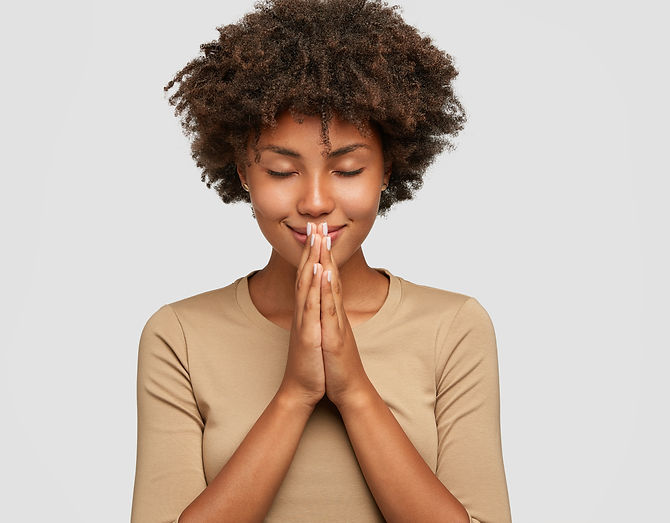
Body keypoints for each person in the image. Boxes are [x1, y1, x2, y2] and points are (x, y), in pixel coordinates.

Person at [130, 0, 511, 521]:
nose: (314, 201)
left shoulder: (454, 328)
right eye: (281, 171)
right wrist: (296, 394)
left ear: (386, 169)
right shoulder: (179, 336)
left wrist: (353, 389)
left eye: (348, 169)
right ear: (242, 172)